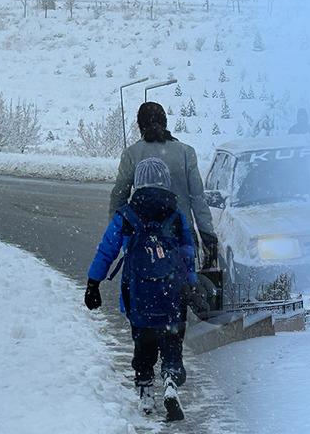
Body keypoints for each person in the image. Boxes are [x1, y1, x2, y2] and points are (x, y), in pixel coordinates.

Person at [86, 158, 203, 422]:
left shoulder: (127, 214)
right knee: (172, 339)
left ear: (137, 182)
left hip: (138, 292)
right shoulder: (175, 214)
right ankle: (171, 381)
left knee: (144, 341)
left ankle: (145, 390)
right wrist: (191, 283)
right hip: (171, 290)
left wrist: (94, 283)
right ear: (165, 181)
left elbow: (107, 250)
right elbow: (187, 253)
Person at [110, 102, 218, 270]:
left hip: (143, 239)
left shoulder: (131, 154)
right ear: (165, 122)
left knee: (141, 288)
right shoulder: (186, 153)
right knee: (184, 288)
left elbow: (119, 196)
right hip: (182, 237)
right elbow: (198, 198)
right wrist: (208, 238)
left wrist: (117, 233)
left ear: (140, 126)